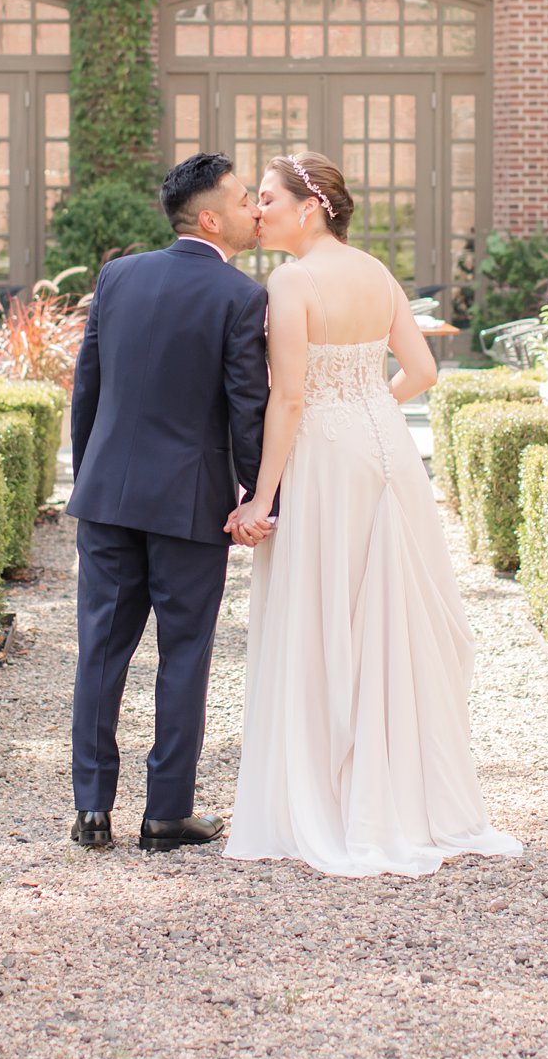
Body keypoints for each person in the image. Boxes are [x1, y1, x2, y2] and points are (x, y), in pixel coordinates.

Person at [223, 151, 522, 879]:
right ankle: (404, 793)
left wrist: (261, 498)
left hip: (324, 456)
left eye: (266, 198)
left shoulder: (292, 281)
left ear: (311, 205)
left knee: (320, 612)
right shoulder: (379, 273)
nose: (256, 211)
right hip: (385, 449)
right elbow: (422, 373)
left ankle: (329, 798)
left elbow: (289, 400)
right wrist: (368, 408)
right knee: (387, 614)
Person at [65, 153, 268, 851]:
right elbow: (249, 410)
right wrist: (258, 496)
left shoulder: (118, 277)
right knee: (184, 656)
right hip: (190, 507)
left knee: (100, 651)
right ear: (210, 216)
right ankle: (165, 814)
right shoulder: (241, 298)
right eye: (244, 199)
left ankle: (91, 810)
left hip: (109, 498)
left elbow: (86, 390)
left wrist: (90, 474)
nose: (254, 210)